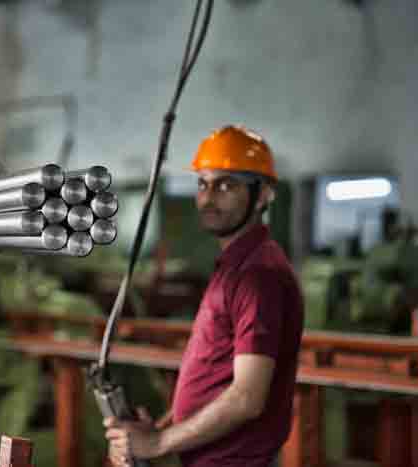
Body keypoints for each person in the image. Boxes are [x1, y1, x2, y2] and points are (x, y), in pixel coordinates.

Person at [105, 126, 304, 467]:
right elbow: (218, 377)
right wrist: (156, 432)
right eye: (203, 184)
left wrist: (158, 443)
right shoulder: (233, 267)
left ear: (262, 195)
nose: (209, 198)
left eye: (226, 185)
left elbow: (247, 397)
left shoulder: (258, 275)